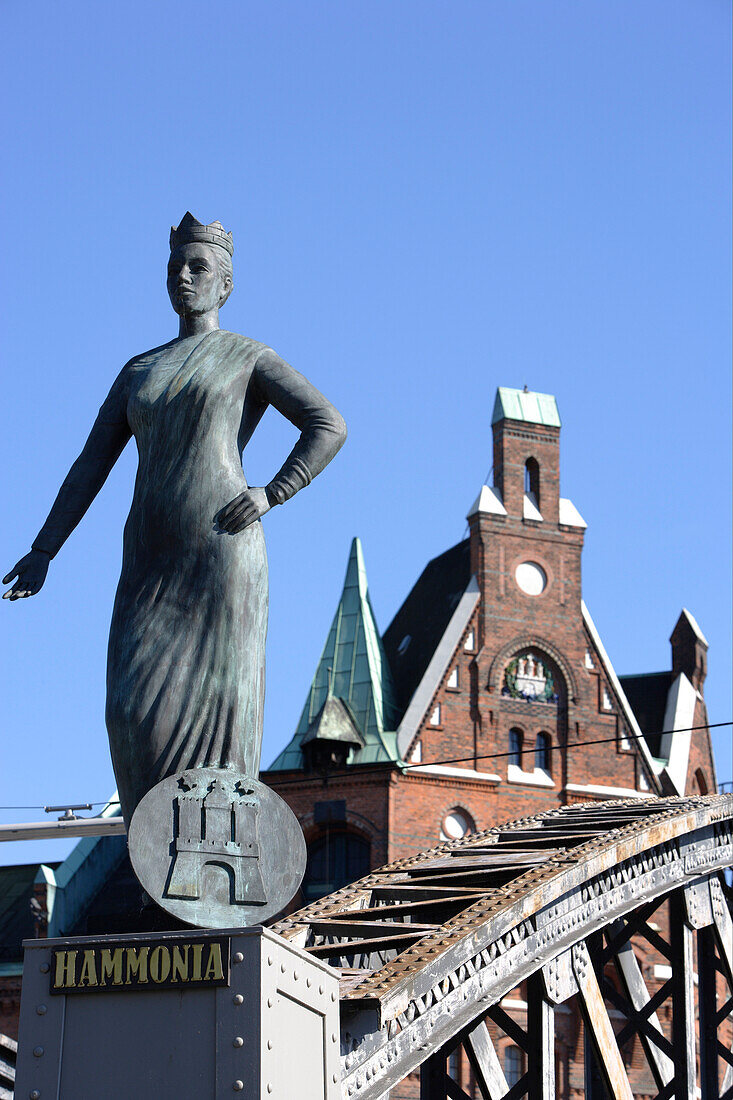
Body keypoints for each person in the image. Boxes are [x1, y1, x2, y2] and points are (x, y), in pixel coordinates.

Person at [3, 213, 347, 823]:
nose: (184, 279)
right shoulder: (139, 369)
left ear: (225, 283)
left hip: (221, 555)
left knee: (219, 722)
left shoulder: (246, 357)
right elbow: (90, 466)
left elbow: (328, 423)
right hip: (149, 561)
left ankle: (209, 868)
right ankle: (153, 866)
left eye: (199, 268)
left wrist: (275, 491)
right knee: (131, 712)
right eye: (175, 269)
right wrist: (44, 548)